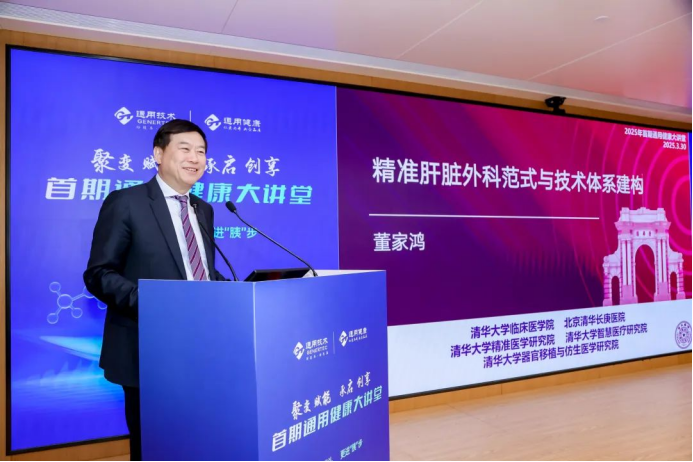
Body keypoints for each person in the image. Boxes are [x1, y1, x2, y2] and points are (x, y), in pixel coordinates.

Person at [84, 119, 227, 460]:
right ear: (158, 155)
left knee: (195, 440)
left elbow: (198, 272)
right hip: (147, 346)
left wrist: (237, 291)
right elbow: (99, 273)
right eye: (185, 149)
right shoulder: (127, 202)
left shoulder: (203, 209)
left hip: (200, 345)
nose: (195, 158)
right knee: (154, 446)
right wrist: (154, 304)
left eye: (201, 151)